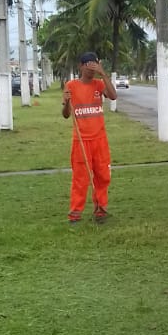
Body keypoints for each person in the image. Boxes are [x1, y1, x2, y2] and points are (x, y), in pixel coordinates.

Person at [62, 52, 117, 224]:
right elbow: (65, 115)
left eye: (95, 64)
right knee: (80, 178)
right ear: (81, 66)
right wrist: (65, 102)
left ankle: (100, 209)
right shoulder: (71, 85)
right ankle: (75, 213)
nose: (91, 68)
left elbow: (113, 96)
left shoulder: (99, 84)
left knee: (102, 176)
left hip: (100, 140)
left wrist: (103, 73)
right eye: (89, 65)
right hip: (81, 141)